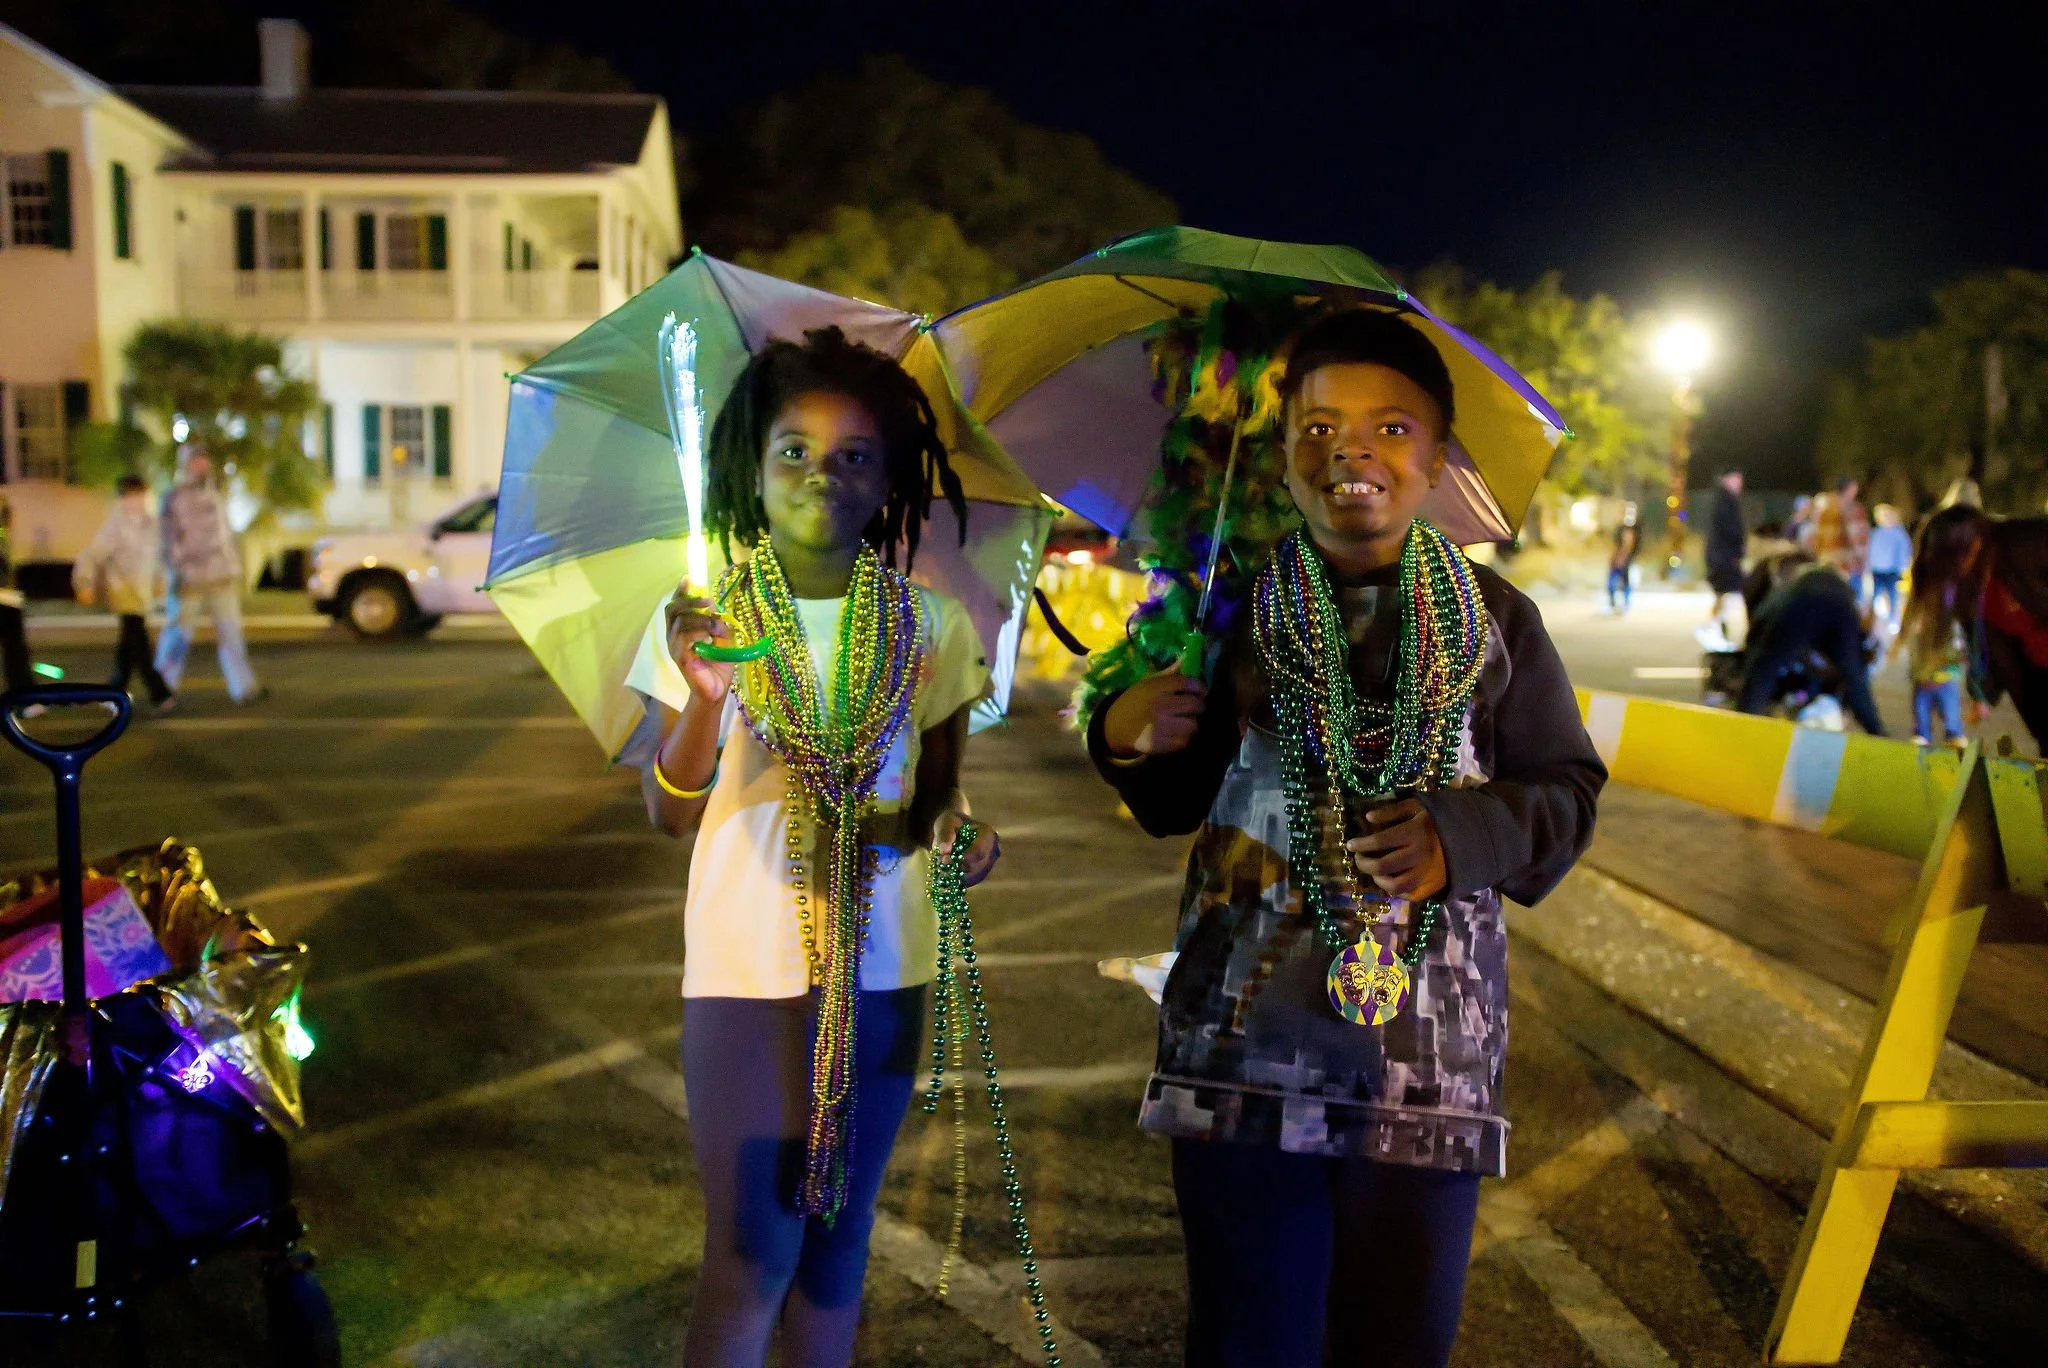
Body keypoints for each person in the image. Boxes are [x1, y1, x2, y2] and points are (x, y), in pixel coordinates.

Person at [1087, 310, 1605, 1368]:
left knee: (1394, 1342)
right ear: (1280, 456)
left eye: (1390, 428)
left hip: (1422, 1074)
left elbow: (1565, 789)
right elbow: (1172, 798)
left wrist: (1458, 835)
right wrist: (1121, 731)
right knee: (1248, 1339)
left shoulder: (1493, 621)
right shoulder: (1231, 612)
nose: (1349, 452)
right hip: (1237, 1060)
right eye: (1316, 428)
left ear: (1438, 460)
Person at [638, 327, 998, 1368]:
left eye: (852, 456)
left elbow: (937, 798)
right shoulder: (702, 623)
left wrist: (958, 834)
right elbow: (668, 810)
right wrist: (706, 698)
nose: (819, 476)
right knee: (751, 1255)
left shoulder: (930, 626)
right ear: (751, 472)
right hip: (747, 972)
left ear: (887, 480)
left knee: (838, 1254)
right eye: (792, 450)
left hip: (889, 964)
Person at [1905, 504, 2048, 746]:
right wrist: (1982, 694)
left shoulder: (2029, 543)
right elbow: (1986, 649)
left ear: (1974, 546)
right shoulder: (1969, 591)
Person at [155, 446, 264, 704]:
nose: (202, 466)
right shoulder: (174, 498)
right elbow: (168, 541)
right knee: (177, 637)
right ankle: (162, 690)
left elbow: (227, 536)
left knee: (232, 635)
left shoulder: (216, 495)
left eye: (204, 461)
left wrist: (233, 567)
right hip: (190, 580)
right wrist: (179, 571)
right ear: (186, 465)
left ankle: (244, 688)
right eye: (196, 461)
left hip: (221, 578)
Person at [1735, 561, 1885, 734]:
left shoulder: (1782, 593)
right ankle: (1878, 734)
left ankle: (1741, 728)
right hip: (1840, 610)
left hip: (1800, 608)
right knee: (1854, 679)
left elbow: (1759, 647)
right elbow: (1854, 663)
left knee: (1763, 672)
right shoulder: (1836, 590)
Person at [74, 475, 175, 713]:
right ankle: (159, 693)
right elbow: (91, 555)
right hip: (124, 592)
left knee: (128, 649)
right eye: (130, 496)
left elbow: (158, 558)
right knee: (139, 645)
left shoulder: (151, 525)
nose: (136, 501)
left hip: (142, 594)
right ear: (122, 499)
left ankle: (114, 693)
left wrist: (160, 580)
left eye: (139, 495)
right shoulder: (116, 526)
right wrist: (84, 583)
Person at [1698, 468, 1747, 651]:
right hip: (1724, 556)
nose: (1739, 483)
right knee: (1728, 591)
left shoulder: (1721, 499)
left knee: (1724, 594)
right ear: (1728, 479)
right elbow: (1731, 529)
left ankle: (1715, 626)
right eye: (1737, 479)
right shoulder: (1725, 501)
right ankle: (1712, 626)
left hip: (1722, 555)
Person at [0, 496, 32, 698]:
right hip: (5, 600)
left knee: (16, 651)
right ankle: (24, 698)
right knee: (16, 652)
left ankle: (23, 697)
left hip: (8, 598)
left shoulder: (4, 537)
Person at [1866, 503, 1912, 628]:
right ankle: (1873, 621)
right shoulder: (1875, 533)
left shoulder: (1899, 533)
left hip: (1893, 570)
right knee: (1875, 595)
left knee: (1894, 596)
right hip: (1877, 569)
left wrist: (1904, 566)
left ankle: (1893, 619)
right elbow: (1869, 550)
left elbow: (1904, 550)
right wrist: (1868, 565)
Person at [1607, 502, 1640, 615]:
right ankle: (1613, 605)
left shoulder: (1637, 530)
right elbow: (1614, 544)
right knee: (1611, 584)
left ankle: (1626, 604)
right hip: (1617, 560)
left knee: (1626, 583)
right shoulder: (1619, 529)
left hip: (1627, 561)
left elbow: (1634, 546)